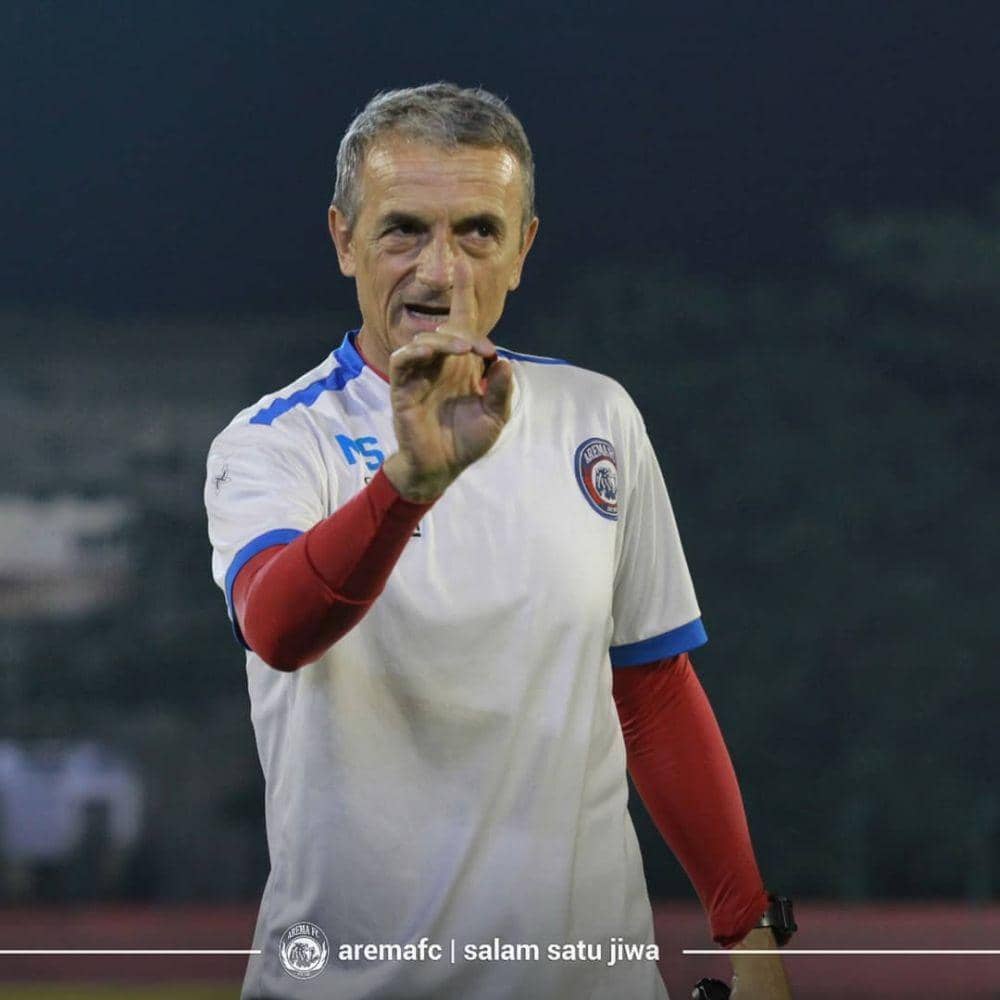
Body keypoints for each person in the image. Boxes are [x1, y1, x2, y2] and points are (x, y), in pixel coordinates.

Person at [204, 83, 792, 999]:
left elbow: (650, 685)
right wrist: (411, 484)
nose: (440, 272)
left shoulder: (595, 415)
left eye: (478, 231)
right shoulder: (274, 443)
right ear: (342, 238)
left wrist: (748, 931)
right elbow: (281, 628)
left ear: (523, 250)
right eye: (403, 230)